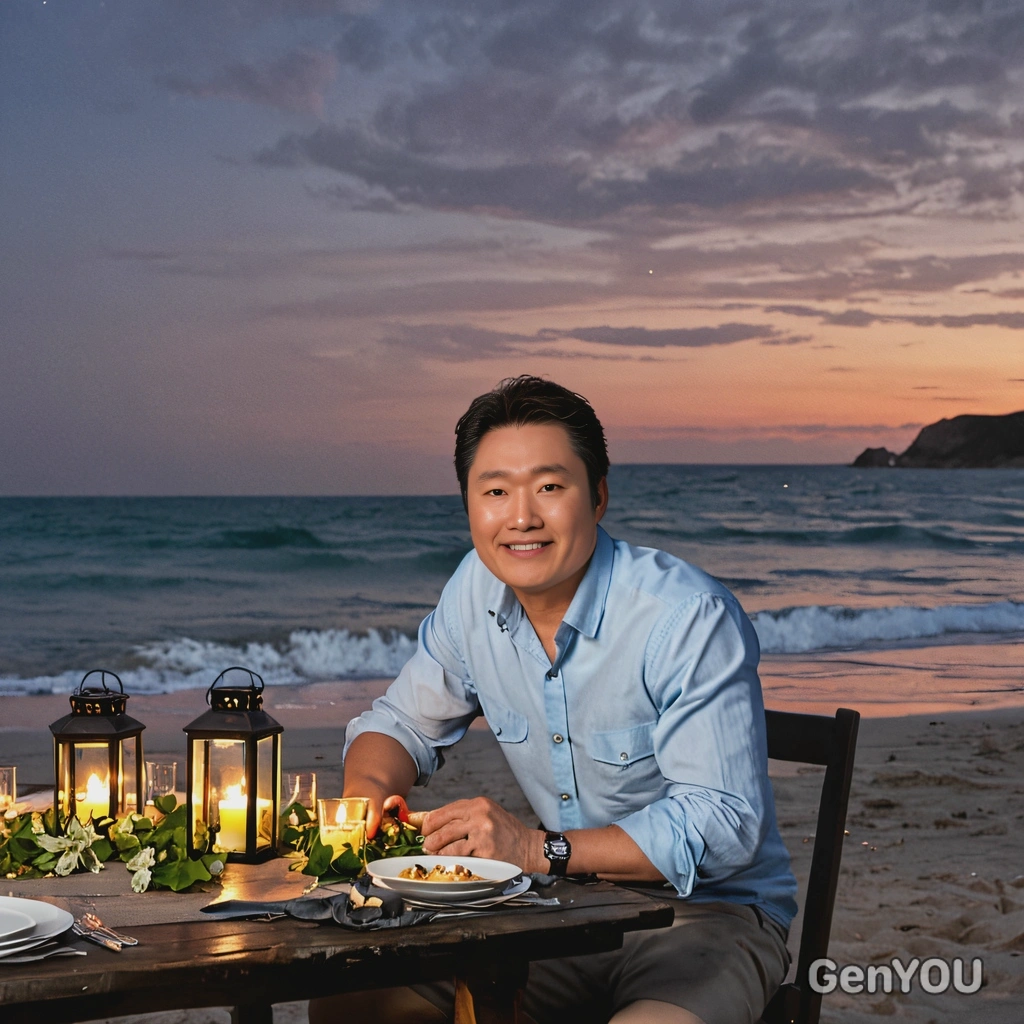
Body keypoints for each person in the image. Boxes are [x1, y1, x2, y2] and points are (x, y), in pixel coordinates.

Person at [316, 375, 796, 1024]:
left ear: (597, 497)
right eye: (494, 492)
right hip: (561, 913)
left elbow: (726, 825)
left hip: (710, 918)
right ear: (467, 504)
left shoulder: (685, 616)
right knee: (355, 1005)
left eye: (549, 486)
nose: (521, 517)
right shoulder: (474, 592)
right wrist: (365, 800)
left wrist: (538, 849)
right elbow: (400, 723)